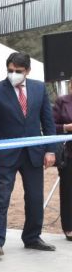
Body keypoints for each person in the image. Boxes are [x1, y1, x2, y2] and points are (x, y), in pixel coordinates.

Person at [0, 52, 56, 256]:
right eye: (10, 71)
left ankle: (32, 237)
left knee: (35, 197)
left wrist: (50, 149)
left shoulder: (39, 88)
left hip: (33, 154)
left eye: (18, 71)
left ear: (27, 71)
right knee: (1, 198)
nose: (13, 74)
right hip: (6, 155)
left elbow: (48, 121)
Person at [53, 82, 72, 241]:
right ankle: (69, 227)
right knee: (68, 191)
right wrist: (66, 127)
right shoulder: (62, 101)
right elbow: (51, 125)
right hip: (69, 155)